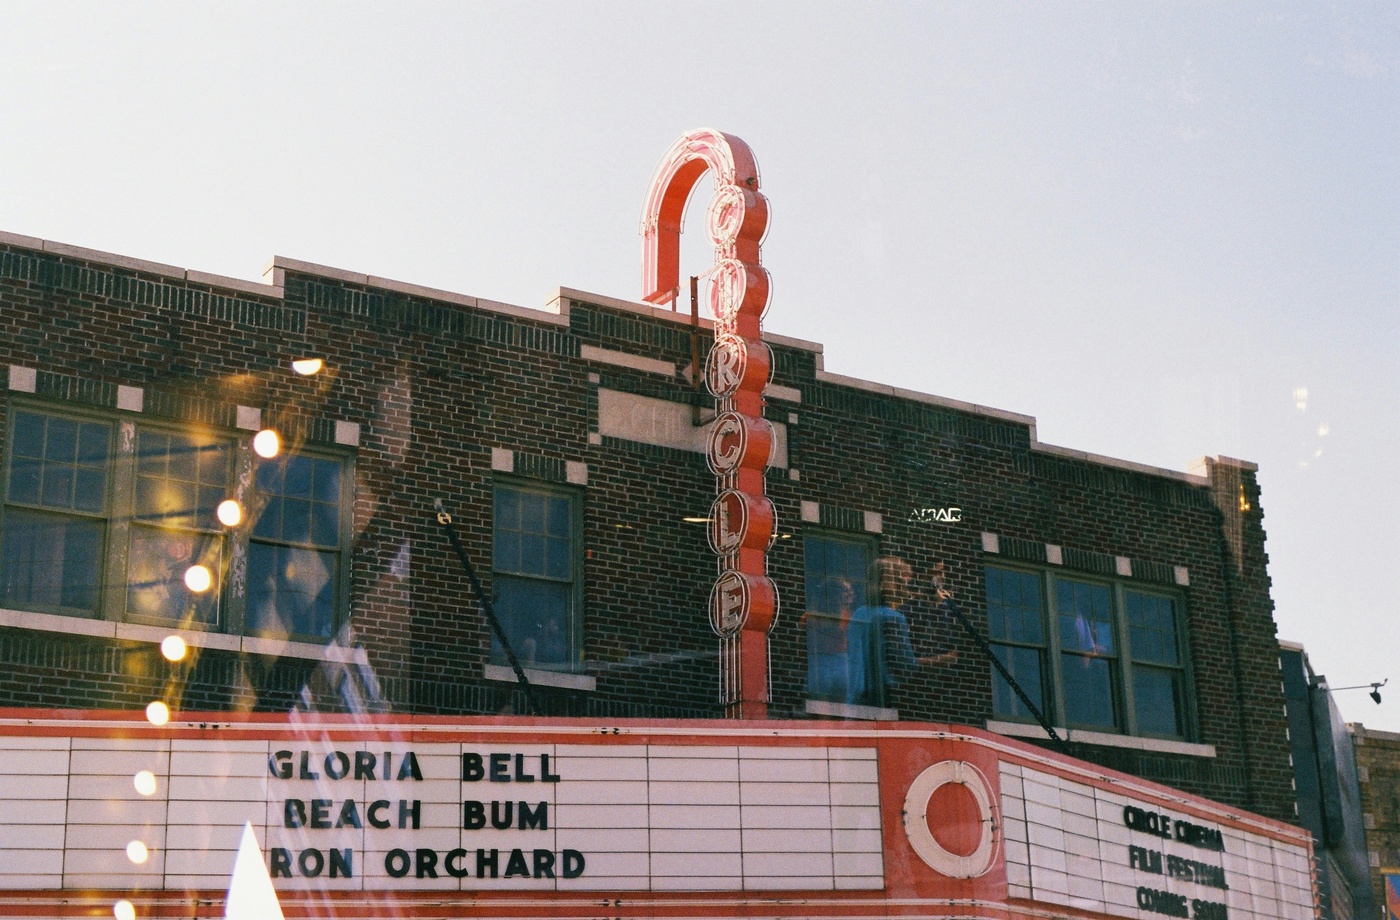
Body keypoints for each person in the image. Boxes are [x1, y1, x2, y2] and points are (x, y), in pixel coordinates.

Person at [845, 557, 958, 707]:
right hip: (882, 698)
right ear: (892, 581)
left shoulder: (859, 613)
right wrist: (947, 659)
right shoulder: (894, 617)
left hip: (856, 695)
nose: (907, 581)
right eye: (903, 576)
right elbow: (907, 666)